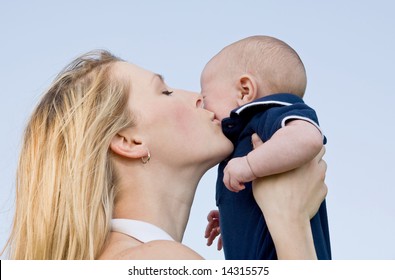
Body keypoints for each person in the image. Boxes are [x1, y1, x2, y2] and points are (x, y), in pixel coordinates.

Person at [1, 50, 327, 260]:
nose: (198, 97)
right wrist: (290, 220)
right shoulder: (160, 261)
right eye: (165, 91)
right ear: (128, 140)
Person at [201, 36, 331, 259]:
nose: (204, 108)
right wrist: (233, 218)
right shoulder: (246, 136)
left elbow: (307, 138)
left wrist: (249, 164)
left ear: (244, 91)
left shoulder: (268, 114)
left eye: (205, 98)